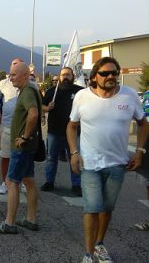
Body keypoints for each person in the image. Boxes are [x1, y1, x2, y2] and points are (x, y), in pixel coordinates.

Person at [66, 57, 148, 262]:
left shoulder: (129, 95)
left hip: (118, 164)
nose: (111, 76)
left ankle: (99, 244)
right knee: (92, 208)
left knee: (106, 209)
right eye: (105, 73)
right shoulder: (82, 96)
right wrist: (74, 153)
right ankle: (88, 253)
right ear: (94, 77)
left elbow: (143, 123)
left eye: (114, 72)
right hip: (89, 163)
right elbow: (71, 126)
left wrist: (139, 151)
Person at [0, 62, 41, 234]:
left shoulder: (26, 92)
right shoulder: (31, 89)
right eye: (10, 75)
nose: (10, 78)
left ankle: (9, 223)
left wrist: (24, 136)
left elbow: (33, 114)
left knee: (11, 181)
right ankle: (30, 219)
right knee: (29, 180)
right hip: (30, 145)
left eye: (13, 75)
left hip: (23, 146)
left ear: (25, 75)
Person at [40, 67, 84, 196]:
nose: (65, 77)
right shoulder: (52, 91)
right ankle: (49, 182)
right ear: (59, 77)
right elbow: (41, 105)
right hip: (54, 131)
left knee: (74, 158)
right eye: (63, 75)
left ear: (72, 77)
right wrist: (47, 108)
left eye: (68, 75)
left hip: (73, 132)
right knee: (51, 158)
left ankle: (76, 184)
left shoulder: (80, 91)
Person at [0, 58, 23, 195]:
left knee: (23, 157)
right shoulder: (3, 83)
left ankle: (21, 182)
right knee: (6, 157)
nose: (16, 66)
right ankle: (5, 182)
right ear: (10, 67)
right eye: (14, 64)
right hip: (6, 126)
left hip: (23, 127)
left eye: (19, 65)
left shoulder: (31, 84)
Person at [134, 89, 149, 231]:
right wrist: (139, 149)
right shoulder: (147, 95)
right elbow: (141, 123)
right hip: (147, 143)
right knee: (148, 182)